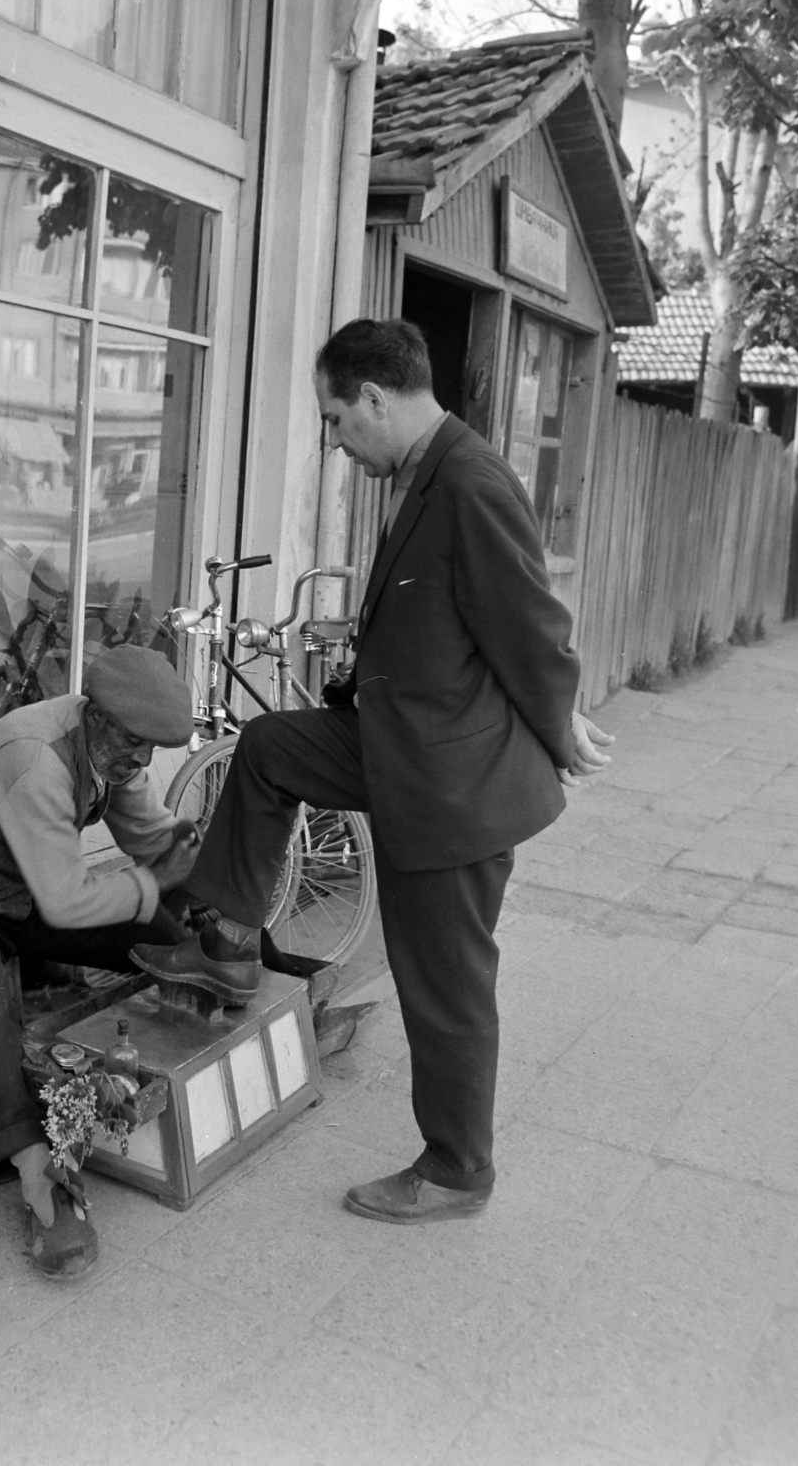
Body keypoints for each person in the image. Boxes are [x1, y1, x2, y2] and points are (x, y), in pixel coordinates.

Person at [133, 318, 613, 1225]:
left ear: (374, 400)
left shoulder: (468, 481)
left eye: (335, 419)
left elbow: (532, 629)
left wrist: (560, 732)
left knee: (445, 985)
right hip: (403, 743)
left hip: (450, 789)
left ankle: (456, 1170)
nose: (335, 442)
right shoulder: (426, 473)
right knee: (271, 749)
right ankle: (231, 939)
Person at [0, 645, 200, 1279]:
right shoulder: (35, 755)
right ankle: (36, 1171)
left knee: (168, 930)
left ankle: (277, 990)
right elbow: (66, 901)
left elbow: (156, 841)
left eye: (152, 750)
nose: (140, 761)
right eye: (134, 743)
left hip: (21, 896)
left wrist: (204, 891)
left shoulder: (116, 753)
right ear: (96, 715)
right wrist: (156, 879)